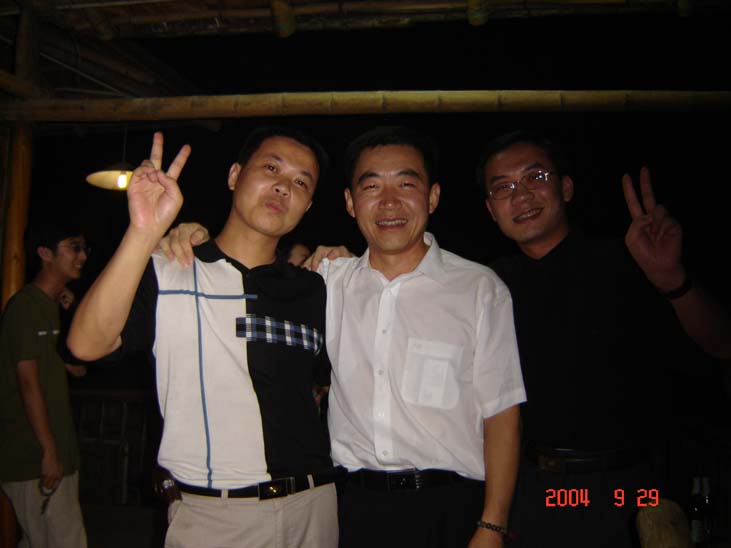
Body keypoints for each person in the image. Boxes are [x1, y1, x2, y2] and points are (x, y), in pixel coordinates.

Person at [163, 126, 527, 548]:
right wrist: (188, 234)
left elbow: (502, 412)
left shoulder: (479, 288)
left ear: (432, 197)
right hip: (352, 507)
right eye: (371, 186)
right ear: (351, 203)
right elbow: (251, 271)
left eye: (406, 184)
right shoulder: (327, 281)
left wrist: (492, 524)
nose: (388, 202)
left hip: (452, 506)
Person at [67, 127, 341, 548]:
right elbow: (86, 345)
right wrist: (143, 231)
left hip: (314, 506)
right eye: (271, 168)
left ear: (307, 206)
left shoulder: (315, 289)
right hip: (216, 516)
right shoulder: (170, 269)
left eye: (301, 182)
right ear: (234, 175)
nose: (284, 187)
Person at [475, 129, 731, 547]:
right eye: (503, 187)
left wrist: (674, 280)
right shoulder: (489, 284)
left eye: (535, 177)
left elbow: (720, 344)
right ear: (491, 209)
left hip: (632, 489)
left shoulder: (629, 259)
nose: (521, 196)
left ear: (566, 188)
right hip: (535, 489)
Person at [0, 217, 89, 548]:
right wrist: (48, 452)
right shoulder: (24, 306)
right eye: (74, 247)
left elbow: (77, 367)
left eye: (84, 248)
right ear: (44, 253)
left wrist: (72, 311)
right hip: (32, 454)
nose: (82, 256)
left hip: (56, 450)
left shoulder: (53, 305)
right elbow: (28, 384)